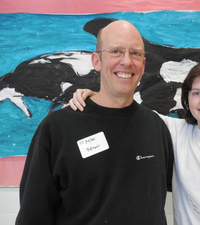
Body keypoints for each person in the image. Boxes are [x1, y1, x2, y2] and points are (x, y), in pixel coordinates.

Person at [70, 61, 200, 224]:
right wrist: (95, 96)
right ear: (187, 99)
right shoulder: (175, 132)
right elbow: (127, 110)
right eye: (196, 93)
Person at [15, 20, 174, 225]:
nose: (126, 61)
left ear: (143, 65)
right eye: (116, 51)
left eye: (135, 53)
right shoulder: (57, 129)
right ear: (96, 61)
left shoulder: (156, 127)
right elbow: (33, 216)